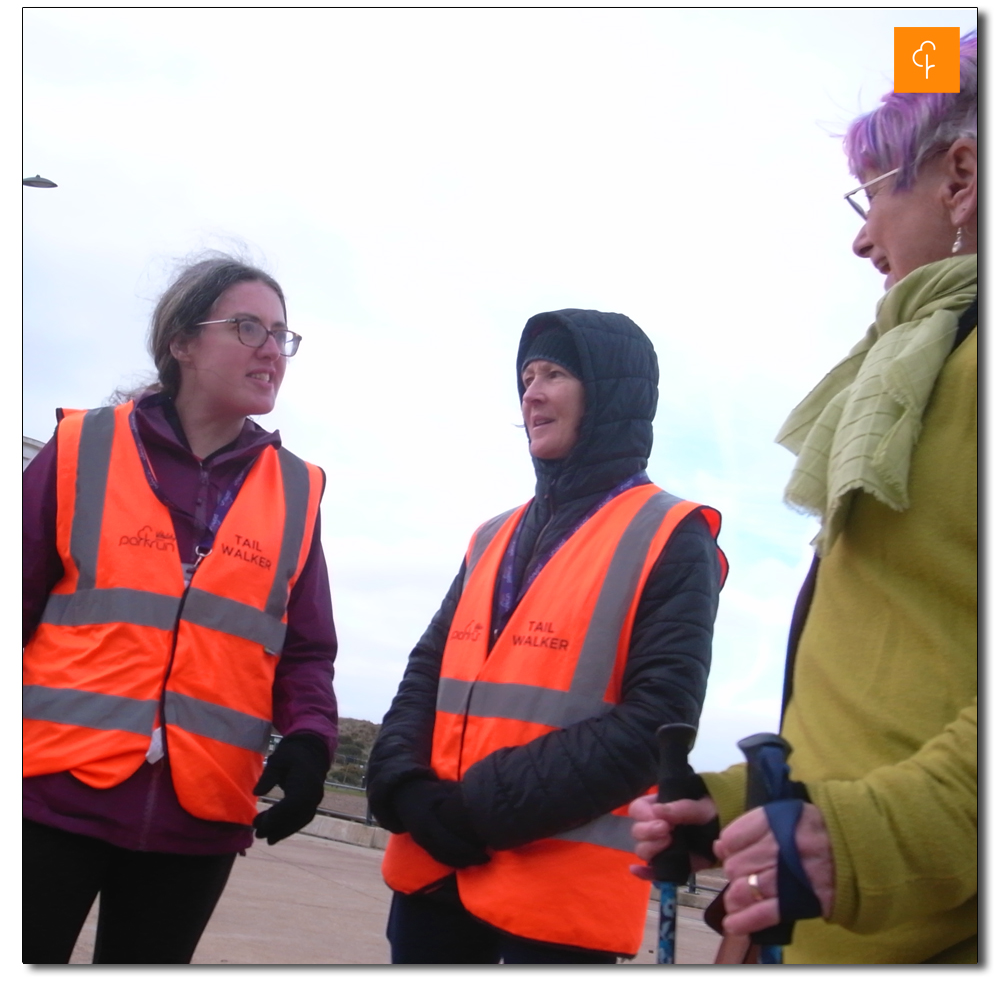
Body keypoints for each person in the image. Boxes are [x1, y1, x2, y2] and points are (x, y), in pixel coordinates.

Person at [629, 31, 977, 964]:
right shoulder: (921, 369)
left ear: (961, 175)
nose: (860, 235)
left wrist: (859, 843)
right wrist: (739, 808)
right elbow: (898, 682)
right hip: (823, 929)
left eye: (874, 194)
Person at [365, 308, 728, 963]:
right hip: (432, 873)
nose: (530, 392)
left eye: (554, 373)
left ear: (610, 391)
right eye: (526, 376)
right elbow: (426, 673)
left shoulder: (673, 535)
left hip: (554, 912)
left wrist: (476, 811)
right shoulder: (491, 535)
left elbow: (658, 719)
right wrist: (403, 787)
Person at [23, 255, 339, 964]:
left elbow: (306, 650)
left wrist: (311, 740)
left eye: (281, 335)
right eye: (248, 326)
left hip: (199, 819)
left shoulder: (298, 492)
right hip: (49, 797)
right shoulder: (81, 449)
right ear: (182, 343)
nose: (270, 349)